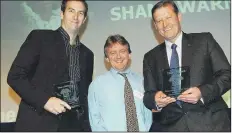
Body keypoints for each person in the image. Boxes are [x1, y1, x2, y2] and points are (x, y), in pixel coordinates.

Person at [143, 0, 231, 132]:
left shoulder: (204, 41)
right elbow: (148, 95)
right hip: (173, 127)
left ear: (179, 17)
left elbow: (226, 75)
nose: (164, 24)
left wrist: (202, 92)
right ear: (155, 26)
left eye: (168, 17)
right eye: (159, 20)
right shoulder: (150, 57)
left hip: (211, 124)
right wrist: (155, 99)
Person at [7, 0, 93, 131]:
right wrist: (45, 101)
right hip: (39, 123)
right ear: (61, 14)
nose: (76, 16)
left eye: (80, 13)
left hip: (73, 126)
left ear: (84, 19)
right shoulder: (40, 38)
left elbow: (84, 95)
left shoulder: (88, 54)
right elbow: (15, 77)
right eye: (71, 11)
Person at [88, 34, 152, 131]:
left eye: (122, 51)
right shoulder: (97, 84)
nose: (118, 57)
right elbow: (94, 119)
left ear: (129, 55)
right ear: (107, 58)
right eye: (113, 53)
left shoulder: (142, 81)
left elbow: (148, 115)